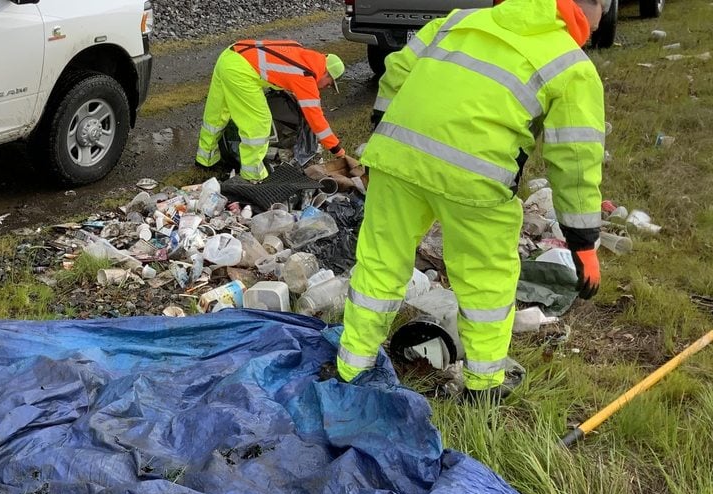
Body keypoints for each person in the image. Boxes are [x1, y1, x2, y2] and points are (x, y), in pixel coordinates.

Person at [336, 0, 606, 402]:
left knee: (379, 262)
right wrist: (583, 243)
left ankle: (351, 368)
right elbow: (576, 162)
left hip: (398, 159)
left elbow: (396, 73)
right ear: (590, 7)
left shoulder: (460, 20)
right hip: (476, 180)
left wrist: (383, 138)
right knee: (485, 282)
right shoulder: (571, 64)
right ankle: (482, 388)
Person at [196, 40, 347, 182]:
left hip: (230, 55)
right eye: (329, 84)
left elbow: (279, 67)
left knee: (216, 114)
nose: (326, 87)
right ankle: (252, 175)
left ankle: (205, 159)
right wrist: (337, 150)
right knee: (259, 124)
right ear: (326, 73)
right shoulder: (306, 77)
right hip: (240, 71)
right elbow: (317, 120)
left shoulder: (301, 52)